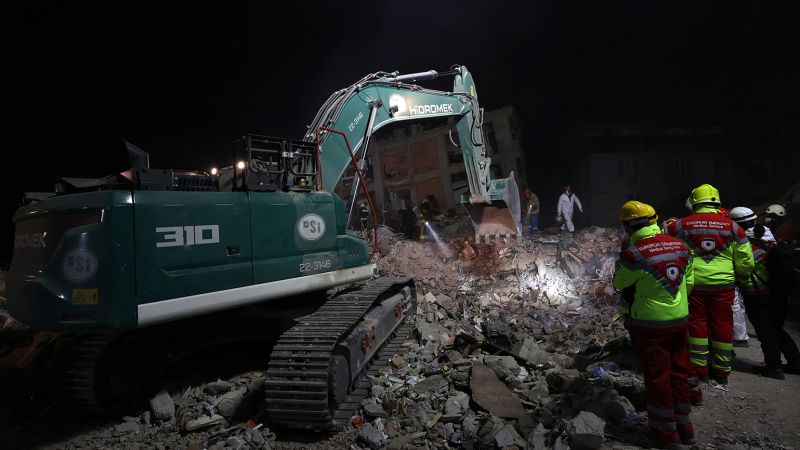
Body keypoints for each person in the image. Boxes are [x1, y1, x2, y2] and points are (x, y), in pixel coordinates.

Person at [613, 200, 695, 448]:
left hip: (650, 326)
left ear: (628, 227)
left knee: (658, 378)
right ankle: (686, 429)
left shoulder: (634, 253)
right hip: (679, 322)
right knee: (680, 374)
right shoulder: (681, 246)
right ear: (654, 220)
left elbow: (619, 283)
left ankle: (665, 435)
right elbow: (689, 282)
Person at [665, 184, 754, 391]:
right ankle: (722, 372)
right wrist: (741, 277)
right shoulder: (733, 227)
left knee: (697, 324)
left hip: (693, 284)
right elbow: (745, 260)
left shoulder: (679, 226)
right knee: (723, 324)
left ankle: (700, 371)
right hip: (723, 285)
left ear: (694, 201)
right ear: (717, 200)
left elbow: (668, 251)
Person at [729, 206, 800, 379]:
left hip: (759, 295)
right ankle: (796, 364)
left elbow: (743, 268)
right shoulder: (772, 239)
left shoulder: (747, 246)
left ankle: (773, 368)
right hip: (781, 294)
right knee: (777, 329)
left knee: (765, 331)